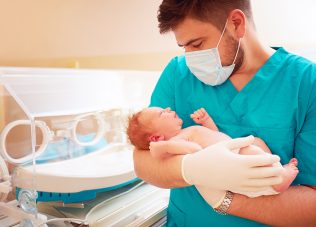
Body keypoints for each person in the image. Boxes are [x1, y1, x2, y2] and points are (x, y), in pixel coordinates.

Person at [133, 0, 316, 226]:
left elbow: (312, 208)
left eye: (197, 45)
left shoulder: (306, 82)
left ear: (236, 24)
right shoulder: (177, 73)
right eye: (184, 47)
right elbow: (143, 160)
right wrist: (191, 169)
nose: (190, 58)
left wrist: (224, 199)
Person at [127, 106, 298, 198]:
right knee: (251, 150)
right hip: (233, 157)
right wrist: (164, 147)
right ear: (156, 138)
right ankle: (277, 180)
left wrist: (207, 122)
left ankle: (274, 169)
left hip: (231, 148)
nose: (169, 109)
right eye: (162, 113)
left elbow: (215, 136)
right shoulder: (175, 141)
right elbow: (197, 151)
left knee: (257, 144)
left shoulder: (185, 132)